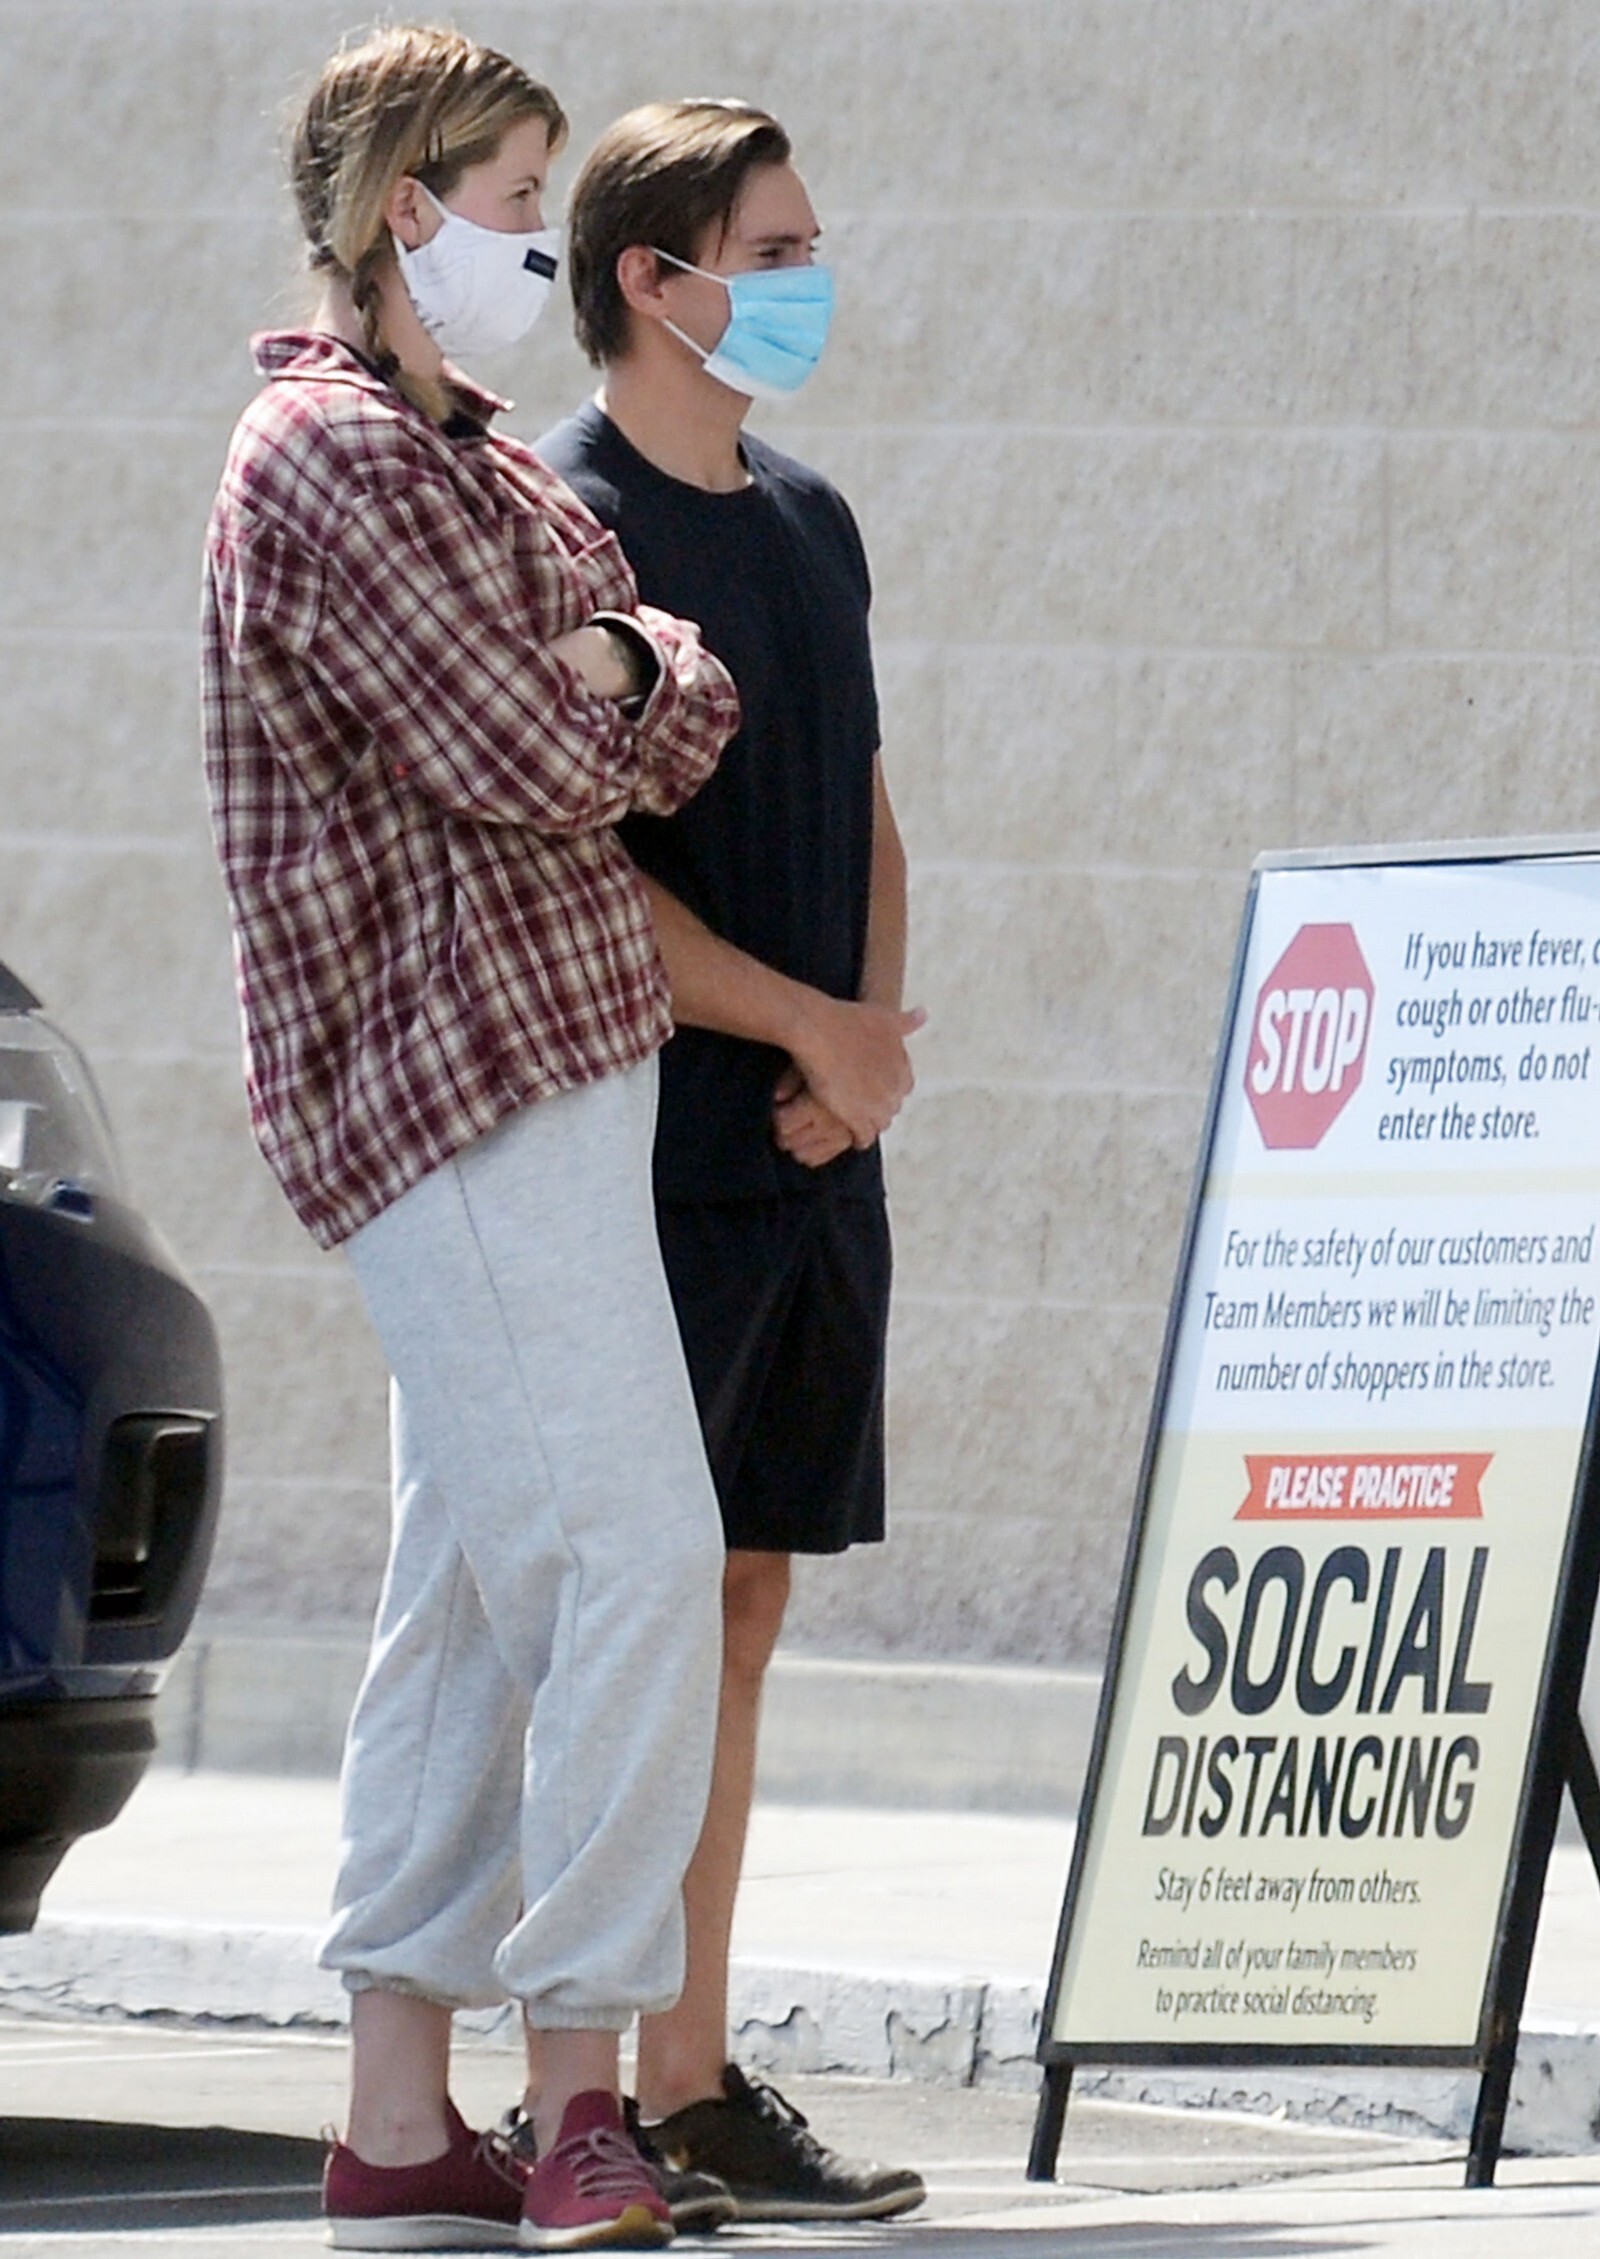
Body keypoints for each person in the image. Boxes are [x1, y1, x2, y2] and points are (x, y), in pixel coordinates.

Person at [199, 26, 744, 2253]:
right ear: (406, 210)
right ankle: (583, 2084)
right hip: (451, 1093)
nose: (543, 233)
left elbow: (689, 690)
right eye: (520, 195)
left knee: (460, 1604)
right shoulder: (327, 456)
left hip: (548, 1076)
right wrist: (613, 670)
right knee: (636, 1560)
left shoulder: (488, 458)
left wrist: (621, 668)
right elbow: (542, 742)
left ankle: (398, 2123)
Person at [535, 100, 926, 2222]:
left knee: (747, 1600)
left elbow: (864, 805)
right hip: (650, 1153)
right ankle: (576, 2082)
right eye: (768, 251)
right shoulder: (566, 526)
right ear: (648, 279)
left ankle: (690, 2082)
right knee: (636, 1619)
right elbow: (579, 878)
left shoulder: (810, 517)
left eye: (804, 246)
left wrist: (862, 1052)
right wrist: (798, 1031)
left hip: (812, 1145)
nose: (804, 284)